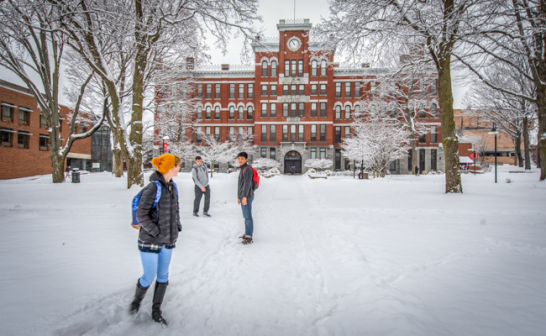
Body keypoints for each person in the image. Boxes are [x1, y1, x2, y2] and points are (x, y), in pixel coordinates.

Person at [129, 153, 182, 326]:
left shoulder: (172, 186)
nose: (179, 168)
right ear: (170, 168)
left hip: (168, 240)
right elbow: (141, 214)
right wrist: (155, 231)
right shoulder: (153, 188)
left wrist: (177, 225)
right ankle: (137, 300)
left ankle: (156, 310)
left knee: (163, 276)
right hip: (150, 240)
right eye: (177, 165)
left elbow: (176, 209)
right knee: (149, 275)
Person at [237, 152, 255, 245]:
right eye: (239, 158)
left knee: (248, 216)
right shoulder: (242, 169)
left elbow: (247, 184)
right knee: (245, 216)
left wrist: (244, 196)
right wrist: (239, 197)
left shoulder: (247, 169)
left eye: (242, 158)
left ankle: (249, 236)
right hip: (243, 196)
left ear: (246, 159)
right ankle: (247, 233)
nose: (240, 160)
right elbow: (240, 184)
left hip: (247, 196)